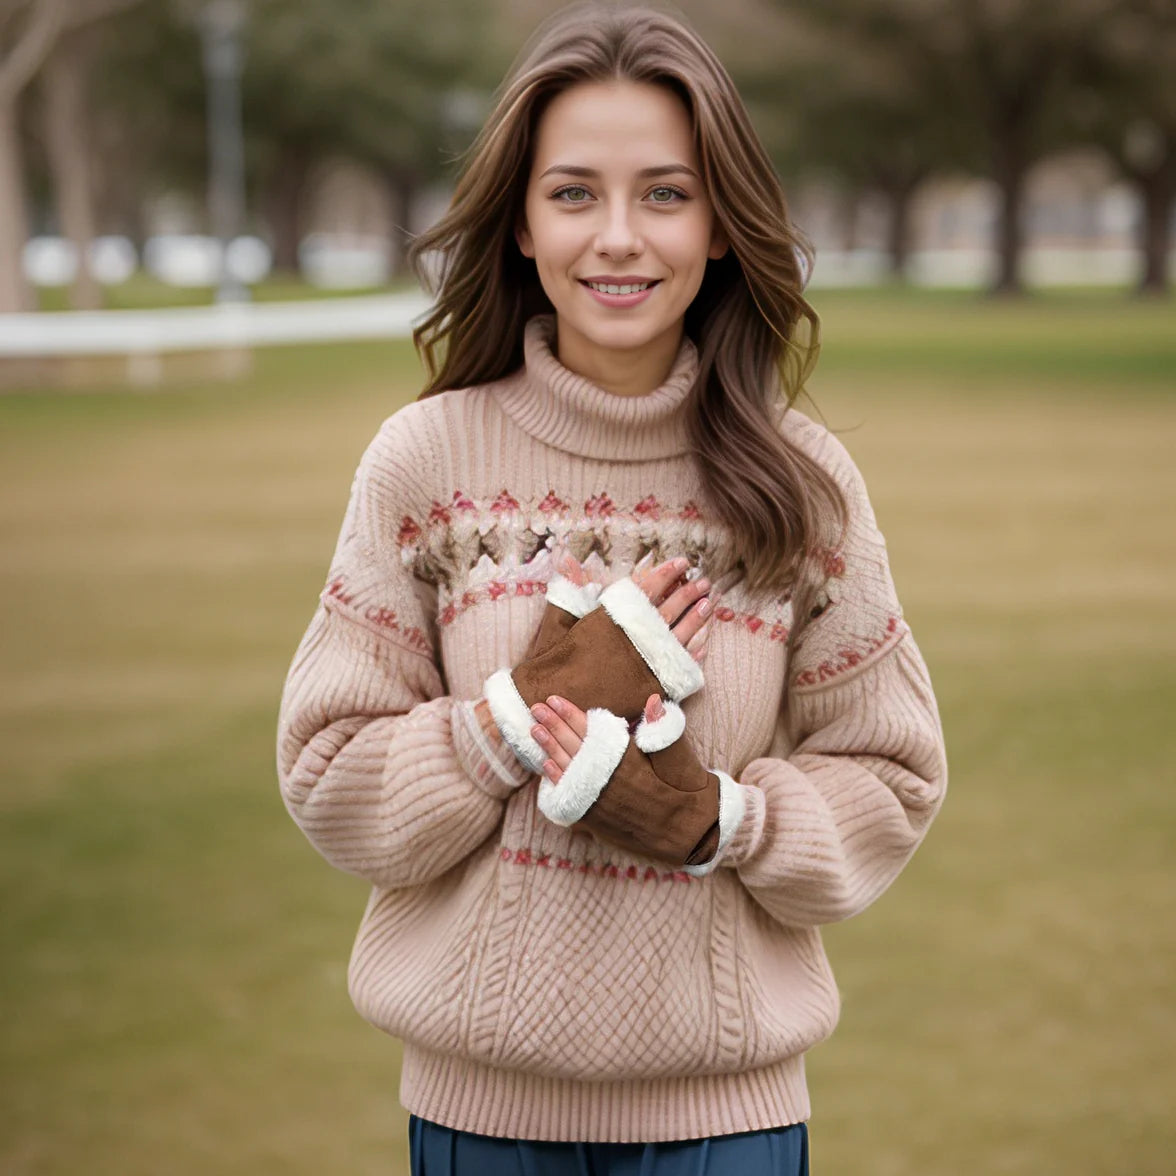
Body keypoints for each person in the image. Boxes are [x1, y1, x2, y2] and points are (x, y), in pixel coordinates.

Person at [276, 3, 948, 1173]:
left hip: (725, 1124)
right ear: (524, 226)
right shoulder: (425, 463)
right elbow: (327, 774)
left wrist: (717, 821)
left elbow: (893, 772)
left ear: (724, 226)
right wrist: (515, 715)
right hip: (480, 1119)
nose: (620, 238)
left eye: (668, 194)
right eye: (575, 192)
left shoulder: (802, 484)